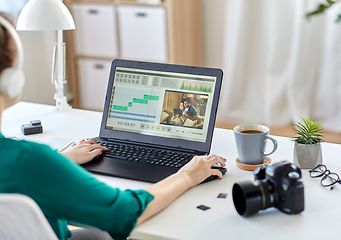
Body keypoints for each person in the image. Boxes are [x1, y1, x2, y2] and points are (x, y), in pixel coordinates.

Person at [0, 14, 226, 240]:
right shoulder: (29, 162)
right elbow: (123, 213)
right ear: (12, 80)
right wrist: (186, 176)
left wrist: (61, 160)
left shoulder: (24, 163)